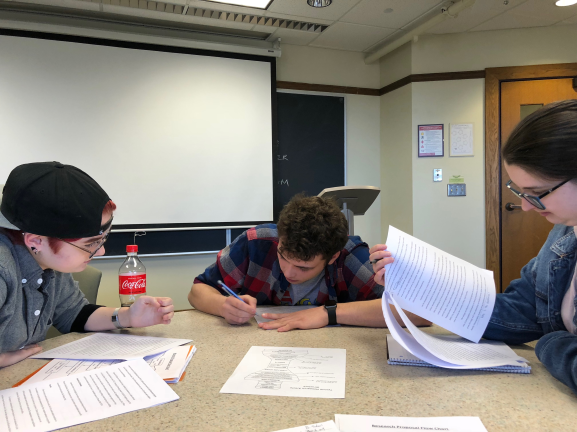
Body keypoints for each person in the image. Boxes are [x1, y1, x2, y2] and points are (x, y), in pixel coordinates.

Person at [371, 99, 577, 395]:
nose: (525, 207)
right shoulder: (564, 232)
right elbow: (524, 310)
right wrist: (418, 287)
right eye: (519, 192)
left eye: (537, 193)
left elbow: (549, 336)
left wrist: (551, 341)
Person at [0, 161, 174, 368]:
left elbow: (74, 313)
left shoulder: (49, 262)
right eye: (90, 243)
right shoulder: (3, 269)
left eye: (103, 239)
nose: (101, 251)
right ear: (36, 240)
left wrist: (127, 317)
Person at [188, 194, 428, 331]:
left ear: (333, 257)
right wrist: (223, 306)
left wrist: (328, 314)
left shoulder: (352, 257)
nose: (289, 272)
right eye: (283, 257)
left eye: (304, 267)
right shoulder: (255, 243)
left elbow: (421, 314)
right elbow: (197, 290)